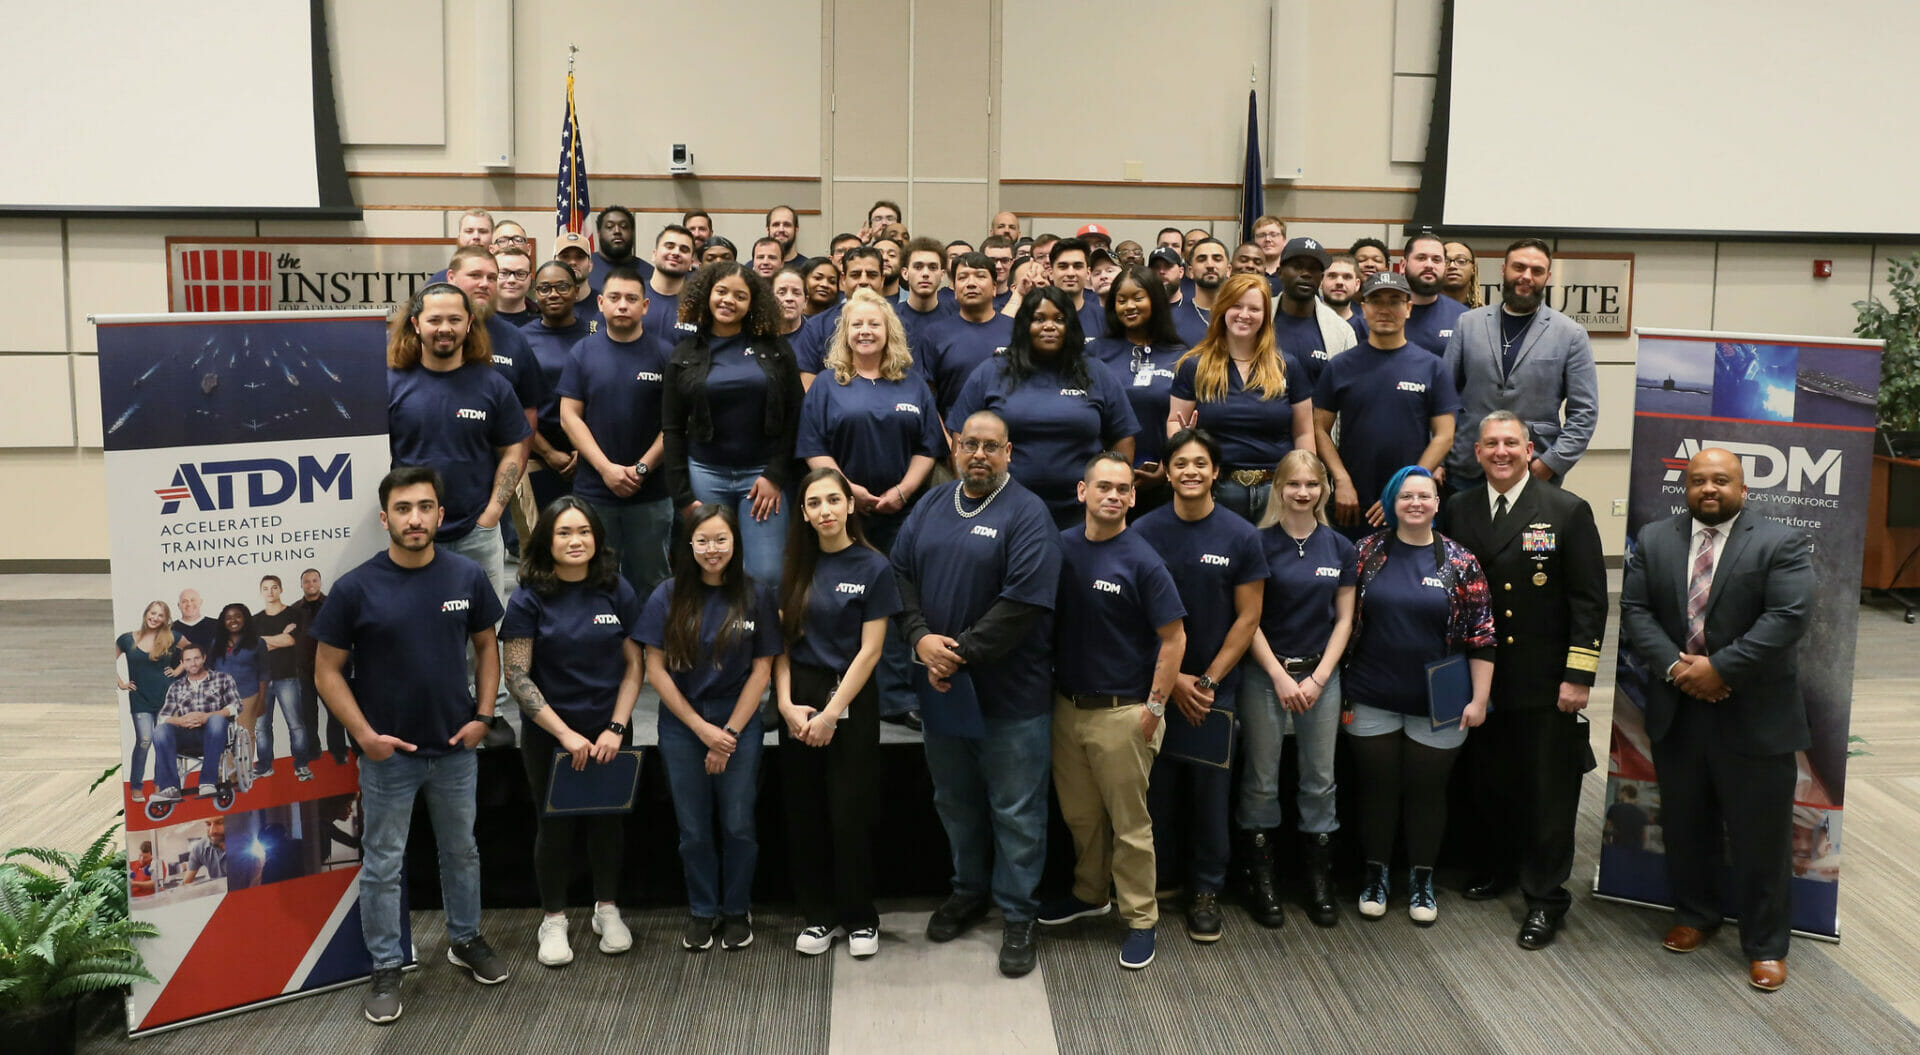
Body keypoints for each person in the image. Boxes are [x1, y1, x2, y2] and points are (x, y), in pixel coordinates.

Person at [312, 465, 511, 1023]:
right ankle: (385, 966)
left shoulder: (466, 577)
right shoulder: (356, 588)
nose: (415, 518)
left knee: (462, 853)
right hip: (388, 758)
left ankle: (465, 939)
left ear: (440, 516)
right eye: (403, 509)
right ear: (385, 519)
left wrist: (484, 716)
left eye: (425, 507)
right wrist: (365, 736)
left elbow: (488, 648)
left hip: (455, 750)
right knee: (382, 865)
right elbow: (326, 671)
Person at [1618, 447, 1814, 992]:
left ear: (1743, 489)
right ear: (1685, 487)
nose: (1709, 488)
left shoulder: (1780, 541)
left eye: (1721, 481)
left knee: (1761, 838)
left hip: (1753, 714)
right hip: (1678, 711)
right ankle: (1695, 914)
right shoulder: (1656, 539)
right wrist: (1682, 669)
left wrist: (1720, 669)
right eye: (1698, 480)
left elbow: (1789, 616)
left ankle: (1766, 944)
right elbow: (1635, 611)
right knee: (1687, 824)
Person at [890, 410, 1063, 978]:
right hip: (943, 694)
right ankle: (968, 892)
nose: (979, 455)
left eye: (991, 447)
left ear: (1009, 452)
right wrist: (920, 639)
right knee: (955, 802)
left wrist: (955, 653)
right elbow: (900, 575)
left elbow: (1023, 605)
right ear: (955, 450)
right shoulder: (934, 504)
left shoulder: (1029, 514)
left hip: (1011, 697)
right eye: (970, 445)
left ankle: (1018, 913)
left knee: (1015, 811)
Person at [1444, 412, 1607, 950]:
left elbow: (1589, 601)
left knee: (1548, 790)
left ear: (1529, 448)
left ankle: (1545, 897)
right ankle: (1500, 867)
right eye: (1490, 443)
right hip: (1480, 677)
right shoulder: (1459, 509)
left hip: (1543, 677)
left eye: (1510, 443)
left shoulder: (1565, 510)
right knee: (1491, 781)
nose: (1500, 452)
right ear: (1476, 453)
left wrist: (1578, 676)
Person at [1039, 454, 1186, 971]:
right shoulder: (1059, 549)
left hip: (1125, 714)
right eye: (1104, 486)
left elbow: (1174, 639)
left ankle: (1140, 919)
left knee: (1130, 826)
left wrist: (1154, 707)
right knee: (1080, 817)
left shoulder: (1143, 560)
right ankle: (1089, 895)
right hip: (1067, 708)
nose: (1114, 496)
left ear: (1131, 497)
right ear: (1082, 491)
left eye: (1124, 489)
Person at [1132, 428, 1267, 942]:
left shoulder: (1241, 535)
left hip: (1216, 691)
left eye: (1200, 464)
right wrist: (1176, 679)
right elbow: (1133, 617)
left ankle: (1207, 889)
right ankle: (1162, 879)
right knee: (1156, 791)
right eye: (1180, 463)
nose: (1190, 471)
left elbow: (1249, 617)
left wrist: (1207, 680)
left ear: (1216, 473)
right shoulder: (1142, 532)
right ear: (1166, 472)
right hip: (1158, 687)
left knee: (1212, 797)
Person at [1344, 466, 1494, 926]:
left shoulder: (1459, 561)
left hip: (1442, 701)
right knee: (1378, 791)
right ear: (1392, 501)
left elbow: (1482, 635)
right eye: (1406, 495)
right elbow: (1342, 623)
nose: (1415, 503)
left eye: (1424, 496)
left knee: (1428, 793)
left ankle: (1422, 881)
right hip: (1371, 693)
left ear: (1436, 502)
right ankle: (1376, 877)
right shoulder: (1365, 553)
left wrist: (1480, 699)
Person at [633, 505, 782, 954]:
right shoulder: (667, 594)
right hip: (683, 722)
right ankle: (702, 910)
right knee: (693, 828)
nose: (712, 549)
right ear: (690, 545)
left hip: (739, 719)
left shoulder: (756, 595)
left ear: (735, 543)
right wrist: (702, 730)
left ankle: (736, 910)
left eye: (721, 540)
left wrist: (729, 734)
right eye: (703, 541)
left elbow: (763, 672)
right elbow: (653, 670)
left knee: (738, 824)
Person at [501, 497, 643, 967]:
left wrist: (616, 727)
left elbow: (634, 665)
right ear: (547, 540)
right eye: (563, 532)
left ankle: (607, 909)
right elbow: (517, 677)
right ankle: (554, 920)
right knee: (554, 827)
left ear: (596, 537)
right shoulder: (528, 597)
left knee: (609, 822)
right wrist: (564, 734)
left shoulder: (616, 588)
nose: (575, 540)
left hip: (609, 732)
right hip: (550, 734)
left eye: (583, 531)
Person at [798, 289, 946, 726]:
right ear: (845, 332)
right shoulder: (828, 383)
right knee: (840, 603)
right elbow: (812, 446)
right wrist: (849, 492)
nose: (865, 331)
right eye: (857, 325)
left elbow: (929, 446)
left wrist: (902, 490)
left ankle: (898, 698)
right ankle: (840, 692)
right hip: (842, 514)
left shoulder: (912, 383)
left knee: (898, 600)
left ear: (889, 332)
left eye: (874, 324)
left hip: (902, 511)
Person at [774, 468, 901, 959]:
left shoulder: (873, 567)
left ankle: (860, 917)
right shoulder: (793, 567)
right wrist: (785, 704)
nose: (824, 510)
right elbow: (780, 645)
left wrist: (830, 715)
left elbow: (870, 652)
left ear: (850, 505)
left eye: (833, 500)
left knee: (850, 813)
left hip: (848, 699)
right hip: (798, 702)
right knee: (804, 813)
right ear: (803, 514)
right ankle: (818, 916)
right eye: (814, 503)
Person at [1239, 450, 1356, 928]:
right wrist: (1281, 676)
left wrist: (1319, 677)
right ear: (1279, 489)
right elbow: (1249, 620)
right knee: (1262, 779)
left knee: (1320, 780)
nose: (1303, 492)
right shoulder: (1257, 543)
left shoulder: (1340, 547)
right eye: (1294, 484)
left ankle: (1318, 882)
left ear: (1323, 490)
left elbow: (1346, 618)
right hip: (1267, 676)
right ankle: (1261, 882)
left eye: (1312, 484)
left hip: (1321, 678)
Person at [662, 262, 805, 587]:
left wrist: (775, 474)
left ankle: (761, 636)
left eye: (740, 296)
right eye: (722, 291)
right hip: (705, 475)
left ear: (752, 303)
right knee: (711, 572)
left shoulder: (776, 349)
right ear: (707, 295)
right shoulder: (684, 353)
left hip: (762, 479)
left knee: (766, 575)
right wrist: (682, 497)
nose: (729, 300)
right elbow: (671, 429)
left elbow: (796, 413)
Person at [387, 283, 530, 607]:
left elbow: (514, 448)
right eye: (435, 320)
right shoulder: (391, 384)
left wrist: (492, 514)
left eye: (454, 320)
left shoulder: (493, 385)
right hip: (410, 534)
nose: (444, 329)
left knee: (482, 639)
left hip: (477, 535)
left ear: (468, 324)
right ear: (416, 323)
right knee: (416, 631)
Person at [948, 288, 1139, 528]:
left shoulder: (1096, 373)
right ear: (1024, 325)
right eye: (1039, 319)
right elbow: (960, 436)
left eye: (1059, 319)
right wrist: (971, 495)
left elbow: (1123, 437)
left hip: (1082, 513)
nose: (1050, 326)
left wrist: (1111, 489)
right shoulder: (991, 371)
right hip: (1001, 510)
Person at [1442, 238, 1601, 492]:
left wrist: (1553, 461)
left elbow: (1584, 412)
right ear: (1504, 270)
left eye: (1536, 271)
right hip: (1467, 467)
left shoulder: (1570, 334)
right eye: (1519, 267)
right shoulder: (1468, 323)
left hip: (1534, 469)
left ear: (1547, 277)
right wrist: (1440, 459)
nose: (1526, 276)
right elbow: (1444, 398)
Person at [1312, 272, 1459, 539]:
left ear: (1408, 308)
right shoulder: (1340, 366)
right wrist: (1341, 480)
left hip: (1411, 504)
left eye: (1395, 301)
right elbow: (1319, 429)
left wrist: (1405, 488)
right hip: (1353, 502)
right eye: (1376, 301)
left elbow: (1445, 435)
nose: (1385, 309)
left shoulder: (1431, 367)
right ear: (1364, 308)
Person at [558, 267, 675, 595]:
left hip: (650, 493)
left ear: (646, 306)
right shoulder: (582, 353)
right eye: (615, 298)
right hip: (595, 491)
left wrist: (641, 469)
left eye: (631, 298)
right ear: (601, 303)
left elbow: (675, 424)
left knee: (652, 582)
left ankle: (650, 647)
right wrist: (606, 469)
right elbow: (569, 417)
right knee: (595, 580)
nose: (623, 305)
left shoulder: (666, 355)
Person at [1167, 272, 1313, 523]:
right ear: (1222, 309)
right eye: (1236, 306)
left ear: (1265, 316)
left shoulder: (1287, 366)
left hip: (1276, 490)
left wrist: (1305, 483)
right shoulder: (1194, 366)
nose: (1244, 315)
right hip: (1217, 489)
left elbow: (1304, 433)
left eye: (1254, 309)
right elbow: (1174, 422)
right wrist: (1184, 443)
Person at [1086, 266, 1186, 511]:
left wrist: (1166, 469)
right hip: (1106, 485)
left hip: (1165, 484)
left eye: (1138, 298)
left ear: (1155, 300)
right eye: (1121, 300)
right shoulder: (1094, 353)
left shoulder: (1182, 356)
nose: (1129, 306)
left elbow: (1189, 420)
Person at [919, 253, 1014, 419]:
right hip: (953, 435)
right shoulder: (935, 333)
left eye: (980, 276)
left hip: (1009, 433)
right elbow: (927, 396)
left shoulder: (1017, 330)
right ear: (955, 290)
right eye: (962, 277)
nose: (971, 283)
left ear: (993, 288)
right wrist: (946, 441)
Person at [148, 641, 241, 802]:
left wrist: (208, 716)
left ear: (204, 658)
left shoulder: (223, 679)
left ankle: (207, 783)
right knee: (160, 730)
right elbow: (163, 717)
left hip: (215, 733)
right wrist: (180, 721)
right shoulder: (176, 687)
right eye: (188, 660)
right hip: (188, 736)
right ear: (182, 663)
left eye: (197, 658)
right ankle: (170, 788)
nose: (193, 663)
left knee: (217, 721)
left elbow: (236, 706)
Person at [1268, 237, 1358, 389]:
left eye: (1313, 269)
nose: (1306, 274)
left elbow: (1348, 391)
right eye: (1297, 266)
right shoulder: (1257, 314)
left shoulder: (1342, 331)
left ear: (1321, 278)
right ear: (1280, 272)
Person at [254, 574, 316, 781]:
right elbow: (254, 648)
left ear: (281, 589)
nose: (270, 592)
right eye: (266, 588)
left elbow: (290, 641)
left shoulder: (294, 614)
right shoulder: (255, 620)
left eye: (274, 587)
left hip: (287, 677)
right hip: (262, 680)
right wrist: (277, 638)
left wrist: (264, 641)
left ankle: (301, 765)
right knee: (261, 727)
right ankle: (264, 766)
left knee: (296, 724)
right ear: (261, 592)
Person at [117, 600, 177, 802]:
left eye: (160, 615)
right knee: (144, 741)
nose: (155, 618)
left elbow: (195, 651)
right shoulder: (127, 639)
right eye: (153, 613)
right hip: (140, 699)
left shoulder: (171, 638)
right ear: (146, 614)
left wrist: (177, 670)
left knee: (161, 742)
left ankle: (160, 784)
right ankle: (136, 786)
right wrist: (121, 683)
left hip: (166, 699)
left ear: (165, 619)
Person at [210, 602, 270, 778]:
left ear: (245, 619)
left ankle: (243, 773)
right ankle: (226, 773)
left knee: (245, 735)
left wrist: (261, 701)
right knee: (223, 737)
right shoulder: (216, 643)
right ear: (223, 621)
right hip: (221, 699)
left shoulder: (257, 643)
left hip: (248, 695)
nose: (233, 620)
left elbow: (264, 674)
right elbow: (211, 671)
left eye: (237, 616)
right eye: (228, 618)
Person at [295, 569, 347, 765]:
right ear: (301, 585)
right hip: (304, 671)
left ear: (320, 582)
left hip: (330, 669)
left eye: (314, 580)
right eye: (306, 581)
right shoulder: (293, 610)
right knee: (309, 714)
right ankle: (313, 750)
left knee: (336, 712)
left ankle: (338, 750)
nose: (310, 584)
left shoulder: (332, 605)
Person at [1401, 232, 1467, 358]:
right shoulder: (1384, 314)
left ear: (1445, 267)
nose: (1429, 265)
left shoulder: (1462, 318)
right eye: (1421, 258)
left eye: (1436, 260)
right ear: (1403, 265)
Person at [642, 225, 698, 340]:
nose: (676, 252)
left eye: (684, 249)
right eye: (669, 246)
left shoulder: (699, 305)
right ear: (654, 254)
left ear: (691, 263)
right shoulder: (632, 296)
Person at [1047, 238, 1107, 339]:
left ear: (1088, 273)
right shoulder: (1036, 318)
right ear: (1051, 273)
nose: (1071, 273)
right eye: (1063, 266)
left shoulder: (1104, 319)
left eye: (1077, 266)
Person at [589, 205, 653, 292]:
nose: (617, 231)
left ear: (632, 232)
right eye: (609, 226)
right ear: (599, 233)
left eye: (624, 226)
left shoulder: (650, 274)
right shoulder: (584, 268)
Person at [1321, 253, 1365, 341]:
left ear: (1357, 285)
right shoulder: (1305, 323)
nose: (1339, 282)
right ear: (1321, 281)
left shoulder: (1365, 330)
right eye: (1332, 276)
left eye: (1347, 277)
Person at [172, 587, 218, 657]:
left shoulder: (216, 625)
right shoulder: (170, 629)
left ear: (201, 602)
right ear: (179, 605)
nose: (189, 604)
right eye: (184, 601)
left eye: (193, 600)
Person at [1250, 215, 1287, 292]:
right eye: (1261, 235)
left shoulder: (1291, 274)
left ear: (1284, 240)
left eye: (1273, 235)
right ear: (1254, 241)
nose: (1267, 239)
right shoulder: (1247, 272)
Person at [1442, 241, 1482, 308]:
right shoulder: (1422, 313)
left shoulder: (1482, 315)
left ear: (1473, 269)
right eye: (1445, 261)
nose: (1452, 266)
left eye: (1461, 261)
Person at [772, 267, 808, 339]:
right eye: (781, 292)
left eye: (796, 293)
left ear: (805, 301)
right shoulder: (758, 336)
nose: (789, 298)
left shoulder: (816, 336)